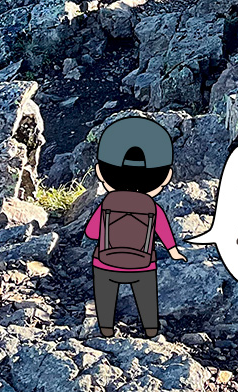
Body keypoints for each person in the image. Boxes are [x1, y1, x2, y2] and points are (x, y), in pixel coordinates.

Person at [84, 115, 184, 338]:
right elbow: (165, 233)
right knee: (146, 298)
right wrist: (174, 252)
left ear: (101, 172)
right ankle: (150, 329)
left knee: (105, 295)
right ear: (165, 177)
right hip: (143, 265)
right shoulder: (151, 206)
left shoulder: (108, 202)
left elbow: (91, 232)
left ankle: (107, 329)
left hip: (106, 262)